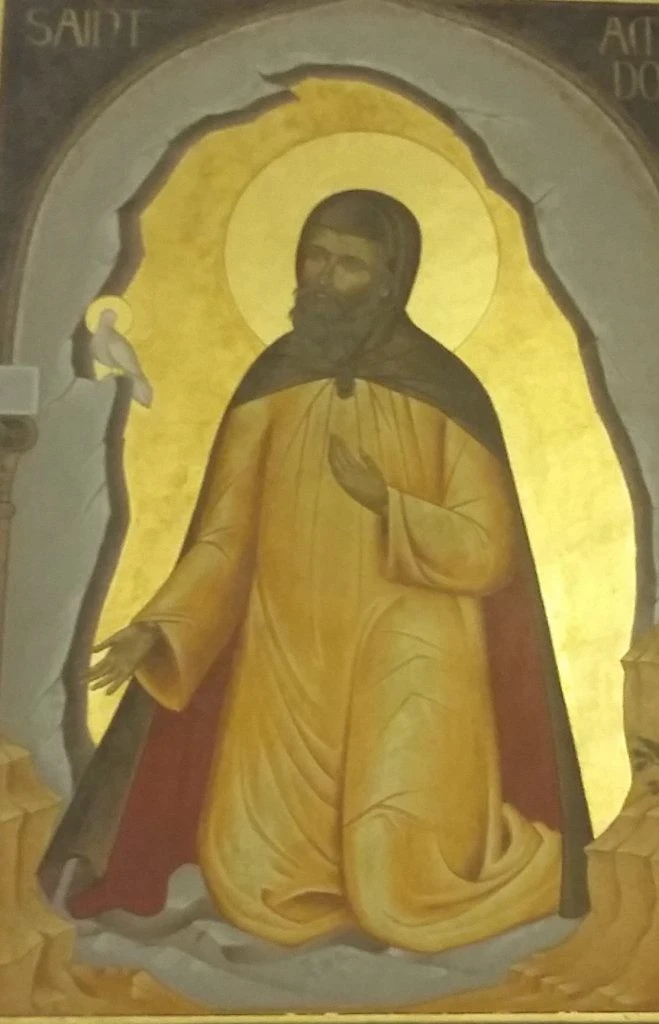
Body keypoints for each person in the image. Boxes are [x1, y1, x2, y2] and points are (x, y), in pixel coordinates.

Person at [43, 189, 591, 953]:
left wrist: (387, 504)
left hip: (412, 659)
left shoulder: (446, 391)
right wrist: (159, 629)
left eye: (349, 265)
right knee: (250, 879)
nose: (325, 278)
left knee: (401, 888)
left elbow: (487, 551)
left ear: (392, 278)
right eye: (315, 257)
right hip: (285, 668)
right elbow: (223, 539)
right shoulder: (271, 382)